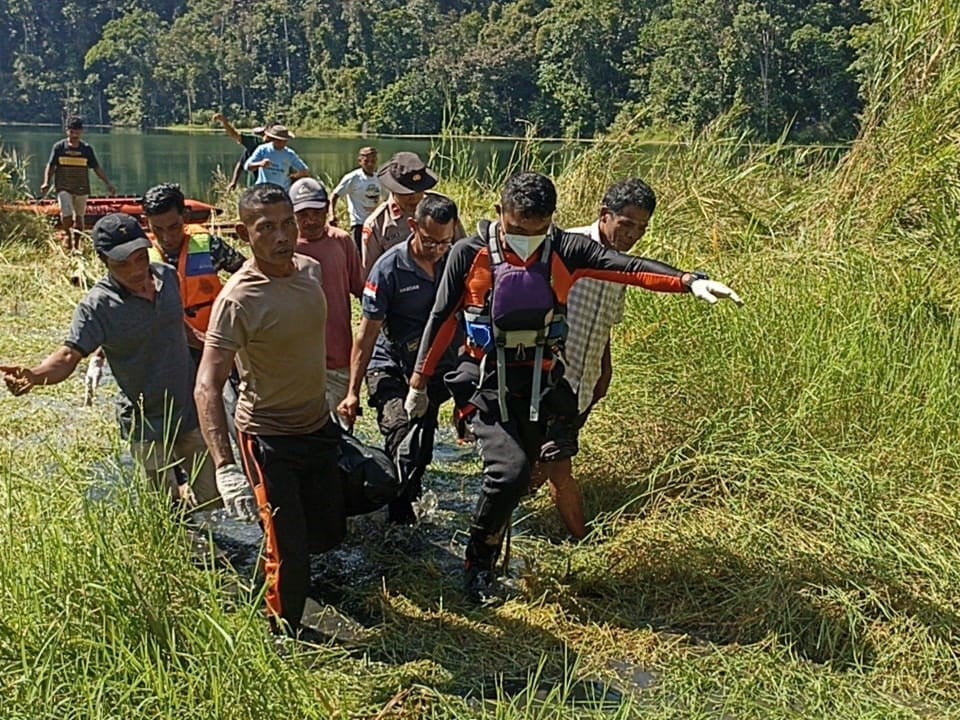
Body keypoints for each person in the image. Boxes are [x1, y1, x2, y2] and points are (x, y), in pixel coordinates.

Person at [406, 172, 743, 603]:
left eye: (537, 230)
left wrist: (688, 280)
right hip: (487, 382)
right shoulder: (468, 255)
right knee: (508, 475)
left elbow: (631, 269)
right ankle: (477, 568)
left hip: (543, 384)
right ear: (498, 216)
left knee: (527, 472)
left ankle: (498, 536)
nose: (526, 239)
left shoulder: (565, 250)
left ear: (551, 222)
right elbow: (441, 318)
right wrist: (419, 383)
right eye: (517, 230)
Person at [195, 183, 345, 636]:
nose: (281, 236)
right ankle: (282, 633)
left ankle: (301, 587)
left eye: (288, 224)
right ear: (244, 233)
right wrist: (224, 467)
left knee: (329, 531)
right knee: (289, 549)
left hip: (317, 423)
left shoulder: (311, 271)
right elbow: (207, 385)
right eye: (266, 228)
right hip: (268, 435)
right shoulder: (238, 299)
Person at [0, 213, 222, 512]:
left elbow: (178, 327)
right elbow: (68, 356)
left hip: (186, 410)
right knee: (165, 506)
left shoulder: (168, 277)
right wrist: (35, 375)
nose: (136, 270)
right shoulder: (97, 307)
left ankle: (190, 511)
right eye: (122, 264)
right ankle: (187, 542)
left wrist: (218, 348)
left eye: (140, 257)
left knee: (211, 498)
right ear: (103, 261)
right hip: (145, 421)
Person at [534, 178, 658, 539]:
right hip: (552, 380)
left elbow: (605, 323)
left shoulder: (622, 265)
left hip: (584, 383)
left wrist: (605, 369)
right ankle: (583, 540)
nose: (633, 234)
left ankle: (508, 506)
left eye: (641, 228)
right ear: (605, 215)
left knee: (543, 460)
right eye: (627, 224)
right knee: (560, 466)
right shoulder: (565, 247)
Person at [337, 194, 460, 524]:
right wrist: (351, 391)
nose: (438, 249)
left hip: (431, 367)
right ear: (413, 227)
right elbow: (366, 334)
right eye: (430, 241)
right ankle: (396, 513)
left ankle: (409, 491)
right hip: (389, 364)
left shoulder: (454, 262)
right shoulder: (388, 268)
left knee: (422, 445)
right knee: (400, 429)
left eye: (445, 242)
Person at [142, 183, 246, 363]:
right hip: (164, 348)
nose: (167, 237)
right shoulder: (140, 256)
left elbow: (246, 275)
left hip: (212, 342)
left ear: (185, 216)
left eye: (174, 227)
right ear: (146, 222)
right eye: (158, 229)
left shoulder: (209, 245)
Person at [289, 177, 364, 415]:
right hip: (297, 361)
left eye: (317, 212)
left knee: (340, 432)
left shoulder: (341, 242)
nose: (310, 220)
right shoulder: (284, 249)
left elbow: (363, 291)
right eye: (303, 214)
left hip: (338, 357)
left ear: (327, 210)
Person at [361, 151, 465, 277]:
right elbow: (371, 275)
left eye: (419, 191)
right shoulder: (377, 223)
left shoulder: (442, 209)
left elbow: (463, 252)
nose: (414, 198)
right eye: (406, 193)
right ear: (393, 188)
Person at [40, 116, 117, 251]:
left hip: (82, 187)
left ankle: (77, 243)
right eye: (72, 132)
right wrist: (46, 182)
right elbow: (51, 166)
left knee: (79, 217)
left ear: (82, 132)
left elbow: (96, 168)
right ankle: (68, 237)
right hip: (63, 186)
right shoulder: (59, 147)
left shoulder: (86, 149)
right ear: (67, 131)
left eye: (77, 132)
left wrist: (108, 183)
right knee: (67, 214)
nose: (75, 135)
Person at [329, 146, 382, 255]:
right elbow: (334, 195)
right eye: (366, 161)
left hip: (374, 224)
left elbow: (387, 197)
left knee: (374, 256)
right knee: (357, 255)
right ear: (360, 161)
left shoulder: (378, 178)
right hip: (359, 224)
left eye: (373, 161)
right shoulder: (353, 177)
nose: (370, 164)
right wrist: (332, 214)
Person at [244, 125, 310, 190]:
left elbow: (304, 171)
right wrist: (260, 164)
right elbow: (247, 166)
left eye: (285, 141)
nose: (282, 143)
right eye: (279, 140)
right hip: (263, 189)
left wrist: (293, 177)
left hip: (282, 190)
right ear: (273, 139)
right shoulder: (263, 149)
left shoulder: (290, 154)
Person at [213, 112, 267, 191]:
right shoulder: (250, 148)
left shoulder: (255, 141)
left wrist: (224, 121)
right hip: (255, 184)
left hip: (263, 184)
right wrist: (234, 182)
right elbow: (241, 164)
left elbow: (234, 134)